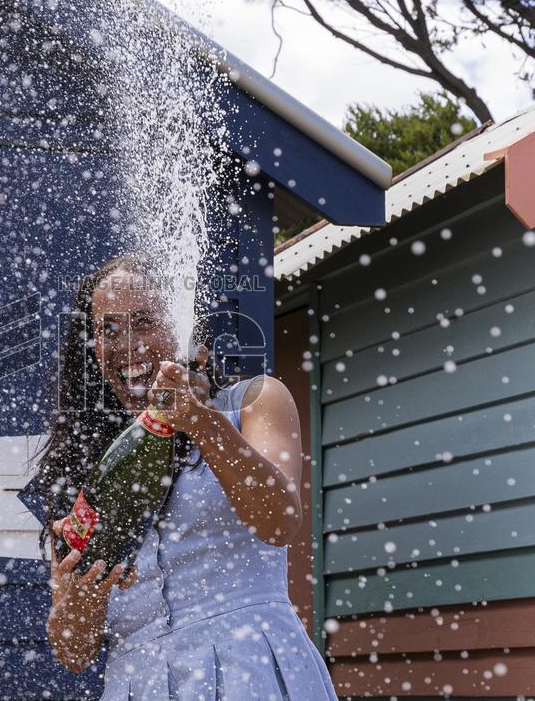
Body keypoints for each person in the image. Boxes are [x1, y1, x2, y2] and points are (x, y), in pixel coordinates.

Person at [33, 252, 340, 700]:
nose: (128, 344)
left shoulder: (253, 402)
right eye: (109, 330)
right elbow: (74, 653)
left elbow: (280, 520)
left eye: (144, 322)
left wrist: (202, 421)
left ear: (182, 323)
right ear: (92, 347)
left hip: (251, 674)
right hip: (137, 685)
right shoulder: (82, 462)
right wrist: (83, 595)